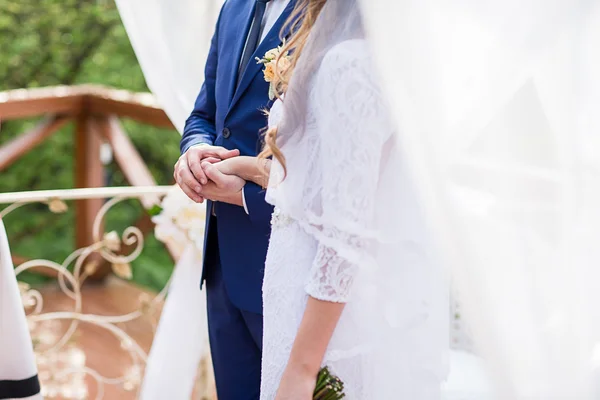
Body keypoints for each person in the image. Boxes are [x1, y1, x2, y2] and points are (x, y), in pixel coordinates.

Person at [200, 0, 450, 398]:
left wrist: (302, 370)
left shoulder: (349, 63)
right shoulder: (359, 49)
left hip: (312, 300)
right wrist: (243, 168)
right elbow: (323, 173)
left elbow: (347, 232)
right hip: (279, 283)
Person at [173, 0, 294, 398]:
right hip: (223, 265)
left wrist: (246, 194)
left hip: (290, 266)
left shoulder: (331, 14)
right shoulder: (234, 7)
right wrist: (194, 151)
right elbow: (206, 114)